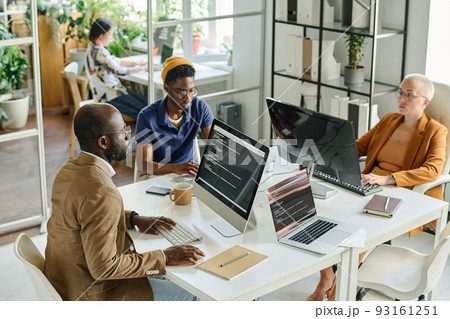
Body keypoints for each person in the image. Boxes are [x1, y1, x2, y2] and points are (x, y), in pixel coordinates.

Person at [307, 73, 448, 301]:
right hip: (366, 183)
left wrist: (388, 179)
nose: (402, 98)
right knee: (319, 215)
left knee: (356, 233)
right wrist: (325, 150)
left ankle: (337, 292)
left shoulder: (436, 131)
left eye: (409, 94)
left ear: (425, 101)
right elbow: (358, 147)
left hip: (402, 192)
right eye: (400, 92)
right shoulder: (389, 120)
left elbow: (433, 170)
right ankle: (326, 276)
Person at [43, 103, 205, 301]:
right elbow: (104, 268)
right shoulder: (101, 190)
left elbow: (85, 215)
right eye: (123, 131)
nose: (130, 136)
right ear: (103, 142)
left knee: (167, 274)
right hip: (95, 293)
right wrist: (164, 256)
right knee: (196, 294)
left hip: (66, 281)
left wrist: (133, 219)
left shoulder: (67, 170)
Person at [135, 56, 214, 178]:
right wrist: (176, 168)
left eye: (192, 91)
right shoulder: (147, 116)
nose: (188, 98)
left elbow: (214, 146)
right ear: (166, 88)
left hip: (189, 174)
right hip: (157, 175)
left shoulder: (200, 107)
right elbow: (144, 165)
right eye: (181, 92)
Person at [86, 18, 148, 120]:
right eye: (110, 34)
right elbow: (118, 70)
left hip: (113, 91)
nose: (112, 38)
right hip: (109, 97)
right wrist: (143, 68)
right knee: (146, 111)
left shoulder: (92, 47)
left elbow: (116, 61)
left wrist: (139, 63)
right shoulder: (99, 53)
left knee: (147, 103)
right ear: (101, 36)